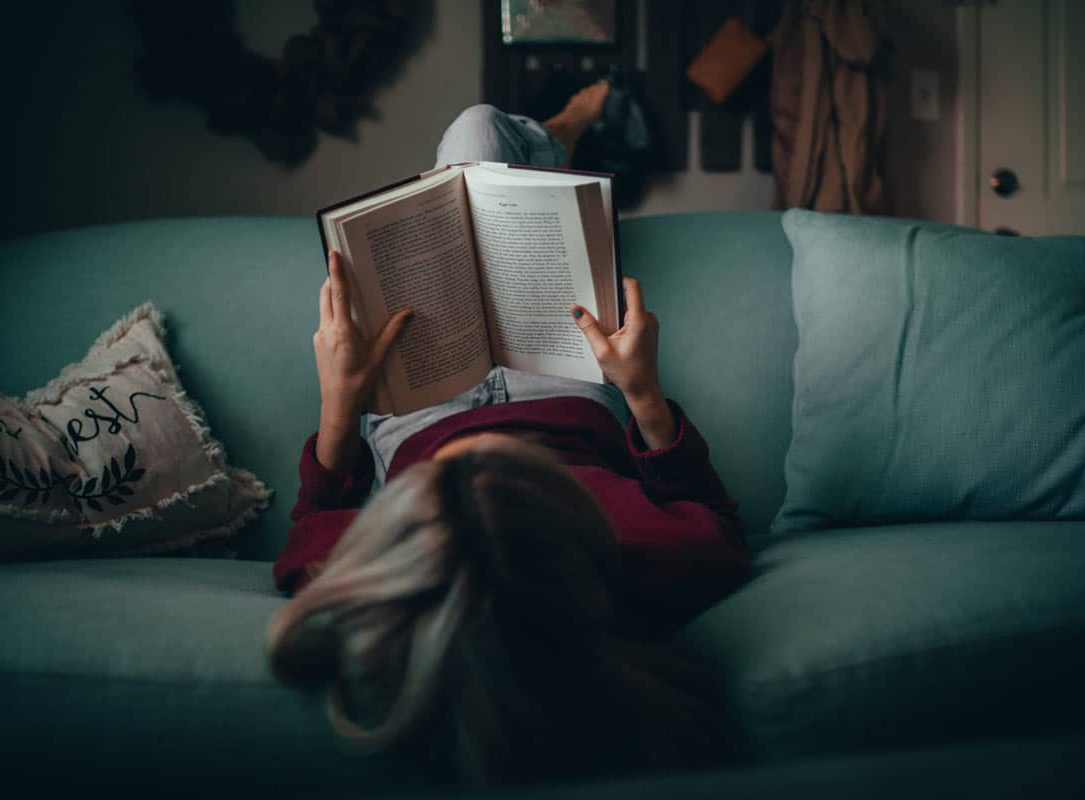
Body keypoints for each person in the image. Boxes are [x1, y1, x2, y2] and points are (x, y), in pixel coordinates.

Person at [265, 82, 752, 787]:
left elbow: (312, 524)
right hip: (560, 389)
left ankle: (559, 133)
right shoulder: (642, 561)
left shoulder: (382, 586)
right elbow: (717, 519)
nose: (482, 459)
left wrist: (339, 402)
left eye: (447, 490)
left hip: (418, 407)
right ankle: (567, 128)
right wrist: (641, 391)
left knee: (473, 145)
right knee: (483, 142)